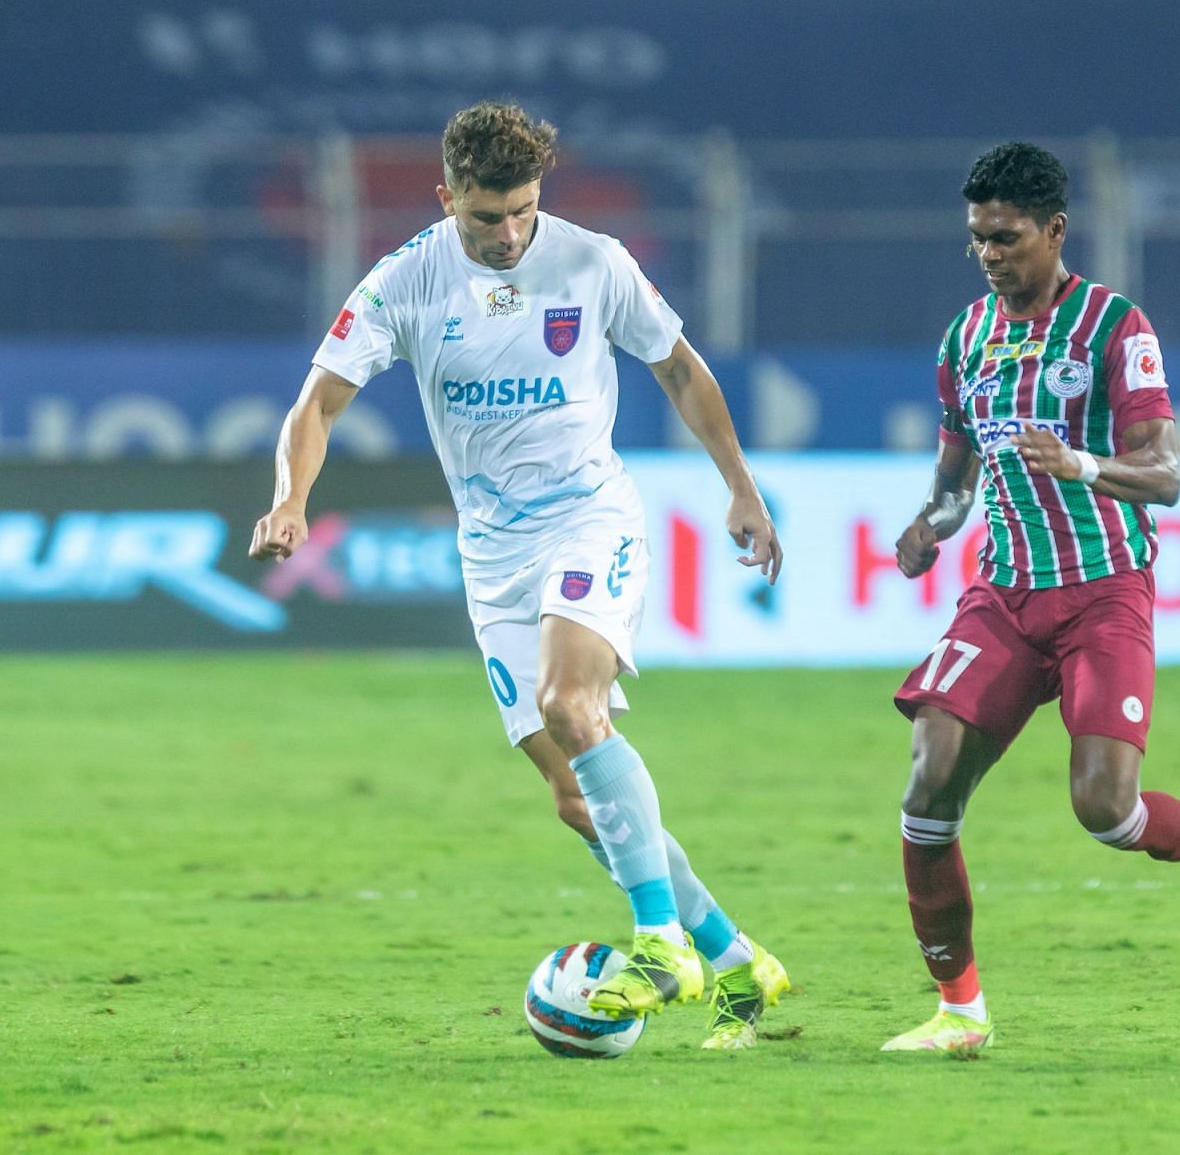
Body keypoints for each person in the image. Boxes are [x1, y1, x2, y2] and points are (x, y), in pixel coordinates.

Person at [249, 101, 789, 1048]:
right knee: (577, 795)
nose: (507, 235)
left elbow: (682, 371)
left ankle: (662, 942)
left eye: (522, 212)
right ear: (446, 195)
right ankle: (738, 958)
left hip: (589, 517)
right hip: (490, 554)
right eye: (485, 216)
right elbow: (318, 401)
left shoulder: (593, 261)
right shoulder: (404, 282)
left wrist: (740, 487)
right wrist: (293, 496)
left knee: (572, 704)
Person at [881, 142, 1180, 1054]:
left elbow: (1167, 474)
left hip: (1104, 590)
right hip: (1005, 590)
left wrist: (1083, 464)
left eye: (1007, 236)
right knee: (929, 777)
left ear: (1055, 229)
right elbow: (955, 478)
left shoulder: (1114, 327)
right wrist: (930, 524)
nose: (989, 253)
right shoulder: (965, 339)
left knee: (1106, 809)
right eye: (978, 238)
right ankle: (959, 1011)